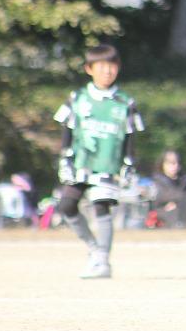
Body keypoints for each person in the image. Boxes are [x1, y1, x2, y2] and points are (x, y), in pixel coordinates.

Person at [53, 44, 144, 278]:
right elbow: (67, 129)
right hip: (81, 162)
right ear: (89, 69)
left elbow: (130, 136)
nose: (107, 71)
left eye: (112, 66)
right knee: (67, 206)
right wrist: (65, 157)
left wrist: (129, 164)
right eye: (101, 66)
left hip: (107, 163)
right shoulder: (78, 98)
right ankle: (94, 249)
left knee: (101, 206)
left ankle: (103, 260)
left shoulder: (125, 102)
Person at [150, 149, 186, 228]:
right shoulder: (157, 181)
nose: (175, 165)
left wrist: (178, 203)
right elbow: (159, 198)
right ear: (162, 164)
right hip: (164, 213)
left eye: (177, 162)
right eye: (171, 163)